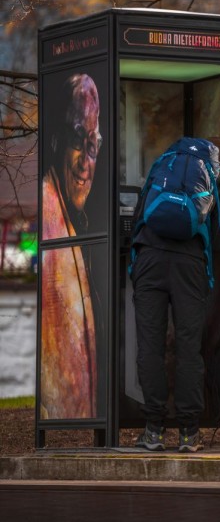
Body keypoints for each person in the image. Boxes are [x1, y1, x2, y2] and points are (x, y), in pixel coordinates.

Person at [131, 138, 220, 453]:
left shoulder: (162, 166)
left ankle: (154, 430)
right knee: (188, 348)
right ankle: (188, 433)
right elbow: (216, 228)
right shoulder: (209, 173)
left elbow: (141, 214)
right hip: (190, 264)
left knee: (150, 347)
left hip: (150, 258)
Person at [41, 73, 103, 419]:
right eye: (78, 141)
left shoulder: (75, 224)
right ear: (56, 141)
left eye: (92, 147)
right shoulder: (52, 219)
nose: (85, 162)